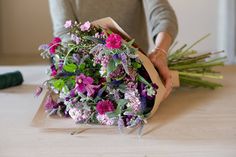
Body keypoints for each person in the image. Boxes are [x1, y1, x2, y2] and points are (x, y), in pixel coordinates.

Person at [48, 0, 178, 100]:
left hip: (141, 66)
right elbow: (64, 32)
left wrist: (160, 52)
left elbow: (162, 12)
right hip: (93, 72)